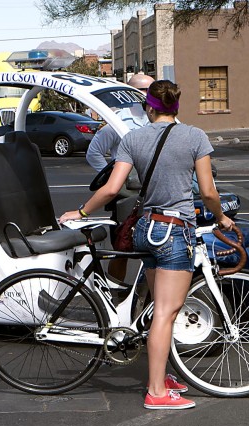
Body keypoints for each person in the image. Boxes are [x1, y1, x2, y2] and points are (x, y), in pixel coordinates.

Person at [60, 80, 234, 410]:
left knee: (158, 308)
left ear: (148, 108)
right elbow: (209, 192)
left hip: (146, 227)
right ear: (176, 107)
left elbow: (112, 189)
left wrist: (81, 211)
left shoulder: (133, 138)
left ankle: (161, 376)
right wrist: (221, 217)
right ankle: (156, 392)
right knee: (167, 313)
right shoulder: (195, 136)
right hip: (174, 230)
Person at [85, 73, 154, 282]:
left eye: (150, 90)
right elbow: (94, 153)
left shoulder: (157, 118)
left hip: (152, 190)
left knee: (154, 248)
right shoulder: (117, 120)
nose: (146, 95)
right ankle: (116, 295)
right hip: (126, 194)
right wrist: (114, 177)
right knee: (122, 246)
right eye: (142, 90)